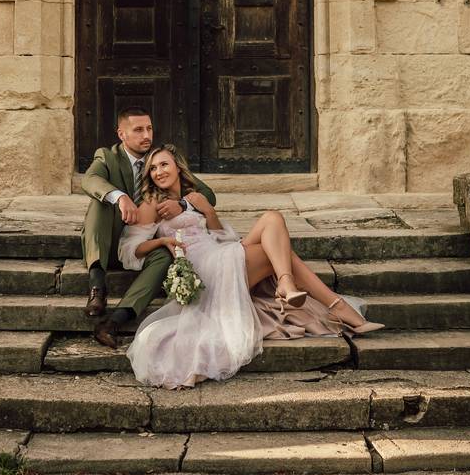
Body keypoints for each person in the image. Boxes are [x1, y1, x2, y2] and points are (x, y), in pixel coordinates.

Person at [120, 144, 385, 390]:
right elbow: (130, 249)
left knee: (273, 219)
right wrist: (163, 241)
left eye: (164, 165)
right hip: (204, 268)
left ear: (178, 167)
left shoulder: (195, 197)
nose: (158, 172)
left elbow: (219, 236)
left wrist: (208, 212)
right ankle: (327, 300)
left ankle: (291, 284)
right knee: (279, 250)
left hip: (219, 253)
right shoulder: (152, 204)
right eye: (153, 168)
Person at [79, 107, 217, 348]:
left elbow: (207, 194)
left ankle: (115, 321)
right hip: (109, 240)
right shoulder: (107, 156)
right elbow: (89, 179)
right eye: (138, 130)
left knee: (165, 255)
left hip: (144, 241)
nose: (146, 135)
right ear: (121, 134)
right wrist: (120, 197)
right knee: (99, 202)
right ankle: (97, 287)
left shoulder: (159, 159)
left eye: (149, 129)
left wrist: (182, 204)